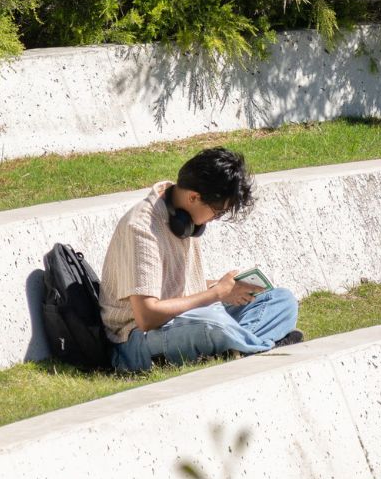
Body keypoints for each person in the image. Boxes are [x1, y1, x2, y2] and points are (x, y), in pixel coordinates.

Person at [99, 147, 304, 372]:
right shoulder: (141, 228)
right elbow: (146, 316)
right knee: (211, 322)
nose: (216, 219)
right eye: (217, 212)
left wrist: (224, 288)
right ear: (194, 197)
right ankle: (261, 344)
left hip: (187, 318)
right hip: (136, 340)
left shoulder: (185, 219)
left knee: (281, 301)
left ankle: (237, 347)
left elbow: (177, 288)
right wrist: (215, 294)